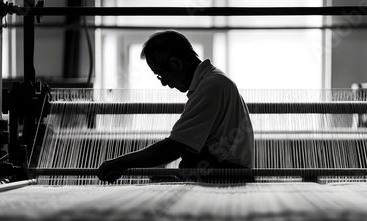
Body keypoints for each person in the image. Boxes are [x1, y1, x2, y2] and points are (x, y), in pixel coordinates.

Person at [97, 30, 254, 183]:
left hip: (228, 176)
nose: (164, 82)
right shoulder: (213, 80)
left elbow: (176, 146)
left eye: (161, 75)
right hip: (223, 173)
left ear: (176, 63)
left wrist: (121, 163)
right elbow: (184, 144)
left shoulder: (211, 85)